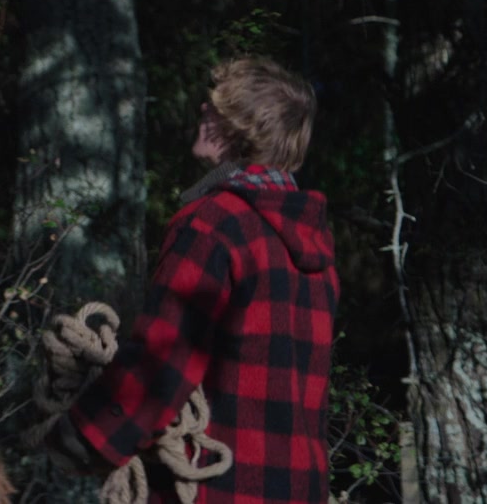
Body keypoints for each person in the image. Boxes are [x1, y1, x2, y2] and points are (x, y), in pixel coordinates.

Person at [46, 56, 340, 503]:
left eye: (215, 107)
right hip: (300, 487)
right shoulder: (317, 246)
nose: (203, 111)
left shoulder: (214, 222)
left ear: (240, 127)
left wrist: (83, 436)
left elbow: (165, 360)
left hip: (219, 488)